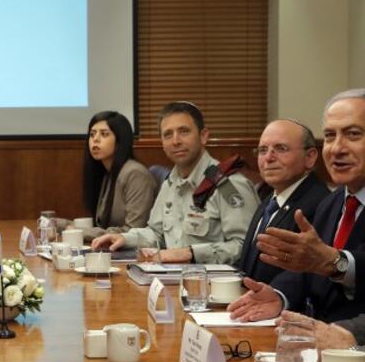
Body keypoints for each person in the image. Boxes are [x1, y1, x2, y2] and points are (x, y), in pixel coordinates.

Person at [230, 89, 365, 340]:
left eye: (353, 134)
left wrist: (350, 334)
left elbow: (332, 262)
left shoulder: (317, 199)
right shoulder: (334, 202)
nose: (336, 148)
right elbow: (310, 269)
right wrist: (279, 295)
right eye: (329, 136)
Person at [92, 101, 259, 264]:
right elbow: (157, 233)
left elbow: (245, 246)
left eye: (184, 131)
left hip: (213, 286)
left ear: (203, 136)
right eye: (168, 134)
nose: (175, 141)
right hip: (173, 279)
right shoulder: (171, 182)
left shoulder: (228, 185)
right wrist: (124, 238)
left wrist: (190, 253)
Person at [235, 120, 330, 283]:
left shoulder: (321, 204)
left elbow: (306, 277)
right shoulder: (269, 200)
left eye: (281, 149)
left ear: (310, 157)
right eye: (262, 150)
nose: (269, 158)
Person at [61, 111, 156, 241]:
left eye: (104, 134)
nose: (95, 139)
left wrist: (78, 231)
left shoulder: (135, 174)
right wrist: (61, 225)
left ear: (120, 140)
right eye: (92, 134)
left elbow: (133, 231)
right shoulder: (107, 173)